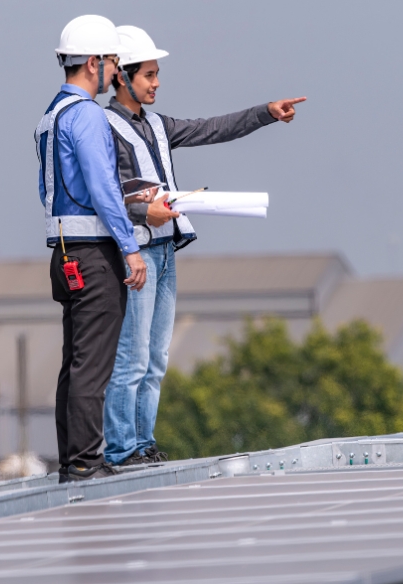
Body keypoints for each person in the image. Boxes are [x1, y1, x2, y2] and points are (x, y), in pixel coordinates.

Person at [101, 25, 305, 466]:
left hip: (166, 250)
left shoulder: (157, 124)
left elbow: (212, 128)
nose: (156, 83)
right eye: (149, 75)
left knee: (155, 357)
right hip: (134, 252)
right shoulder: (104, 126)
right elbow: (101, 194)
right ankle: (120, 450)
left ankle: (143, 443)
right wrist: (140, 213)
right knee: (132, 358)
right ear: (122, 76)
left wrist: (266, 113)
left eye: (157, 75)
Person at [35, 14, 149, 482]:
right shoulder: (86, 115)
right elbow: (103, 186)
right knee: (94, 361)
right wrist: (130, 247)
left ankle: (72, 458)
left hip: (63, 250)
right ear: (94, 62)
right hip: (91, 251)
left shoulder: (52, 114)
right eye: (113, 64)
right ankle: (85, 462)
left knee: (76, 359)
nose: (115, 74)